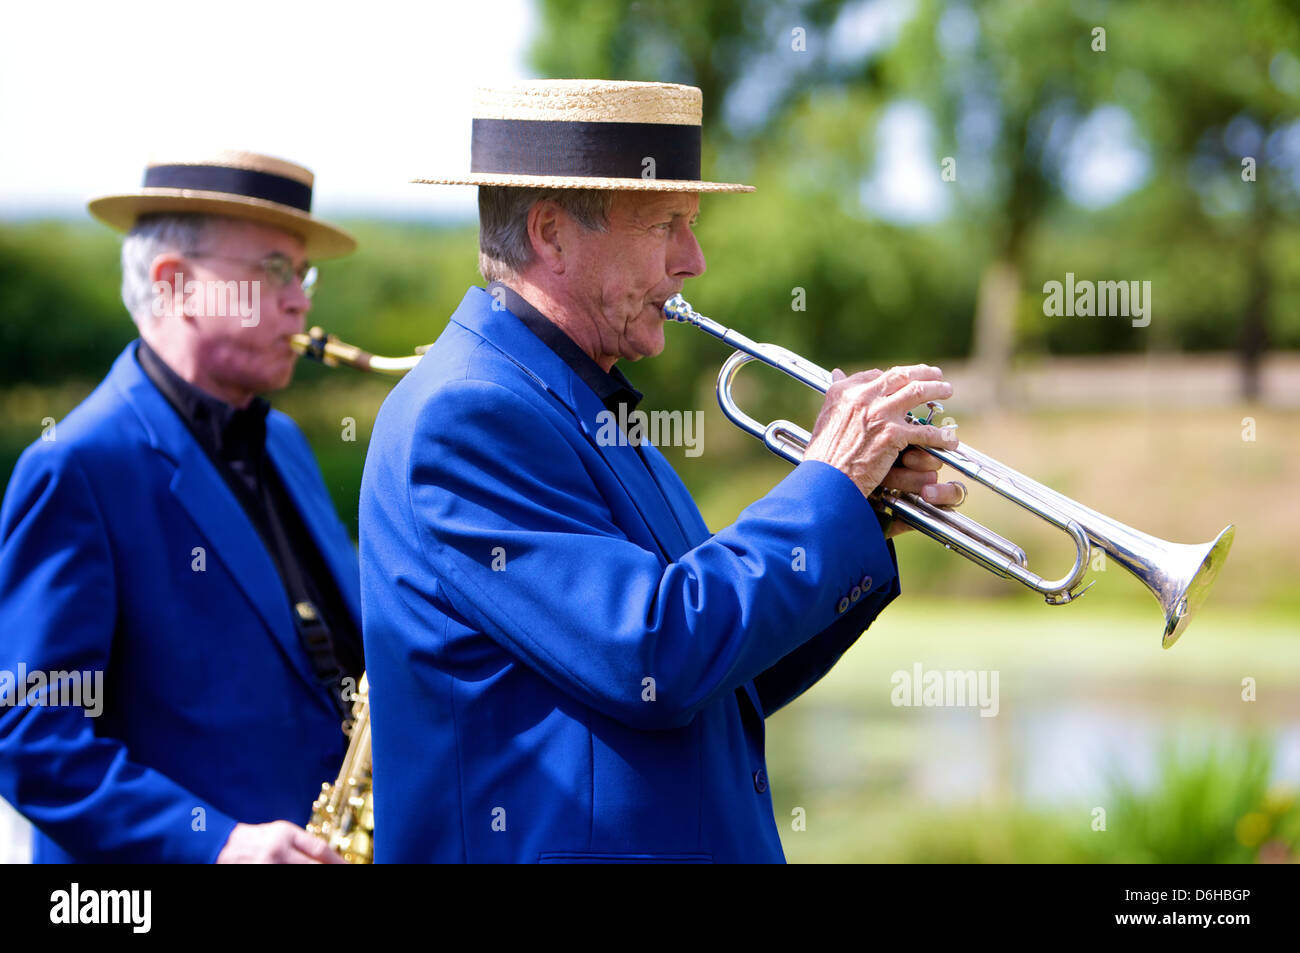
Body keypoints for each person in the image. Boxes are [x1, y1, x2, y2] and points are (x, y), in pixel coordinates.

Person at [361, 80, 963, 862]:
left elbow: (719, 671)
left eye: (693, 225)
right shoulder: (470, 414)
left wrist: (857, 514)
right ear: (551, 234)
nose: (694, 260)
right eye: (666, 226)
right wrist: (827, 485)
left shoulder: (576, 399)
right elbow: (655, 652)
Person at [0, 150, 363, 863]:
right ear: (174, 284)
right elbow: (32, 735)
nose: (300, 300)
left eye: (303, 274)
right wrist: (217, 844)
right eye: (273, 271)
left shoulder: (281, 438)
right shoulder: (75, 465)